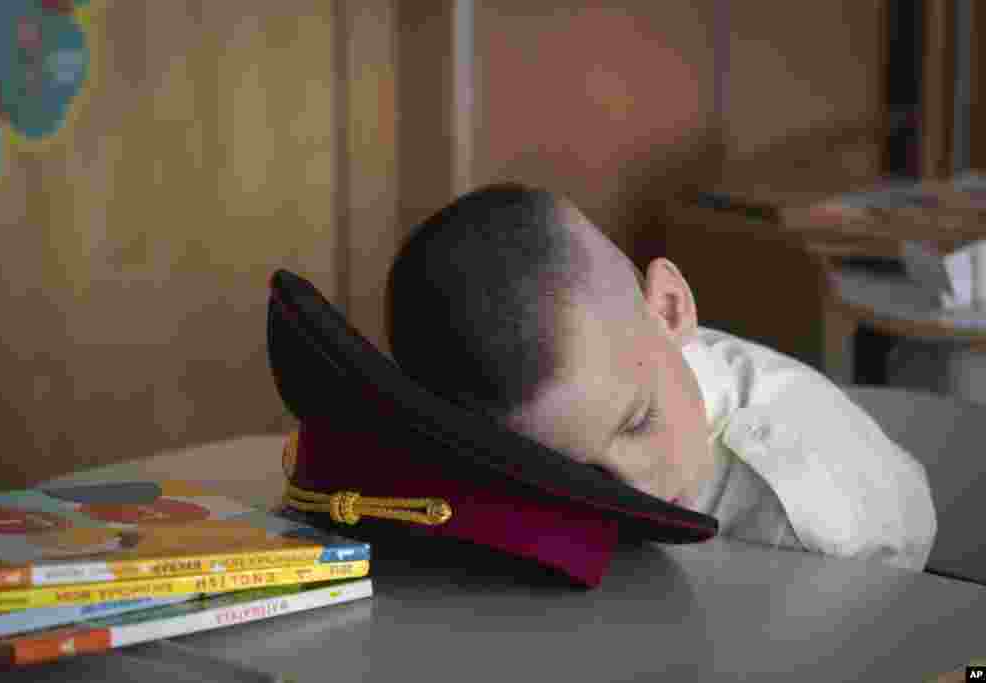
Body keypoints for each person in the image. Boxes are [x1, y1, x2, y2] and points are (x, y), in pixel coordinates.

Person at [385, 183, 937, 571]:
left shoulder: (811, 524)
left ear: (671, 309)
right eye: (574, 470)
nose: (636, 487)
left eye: (637, 422)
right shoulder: (629, 359)